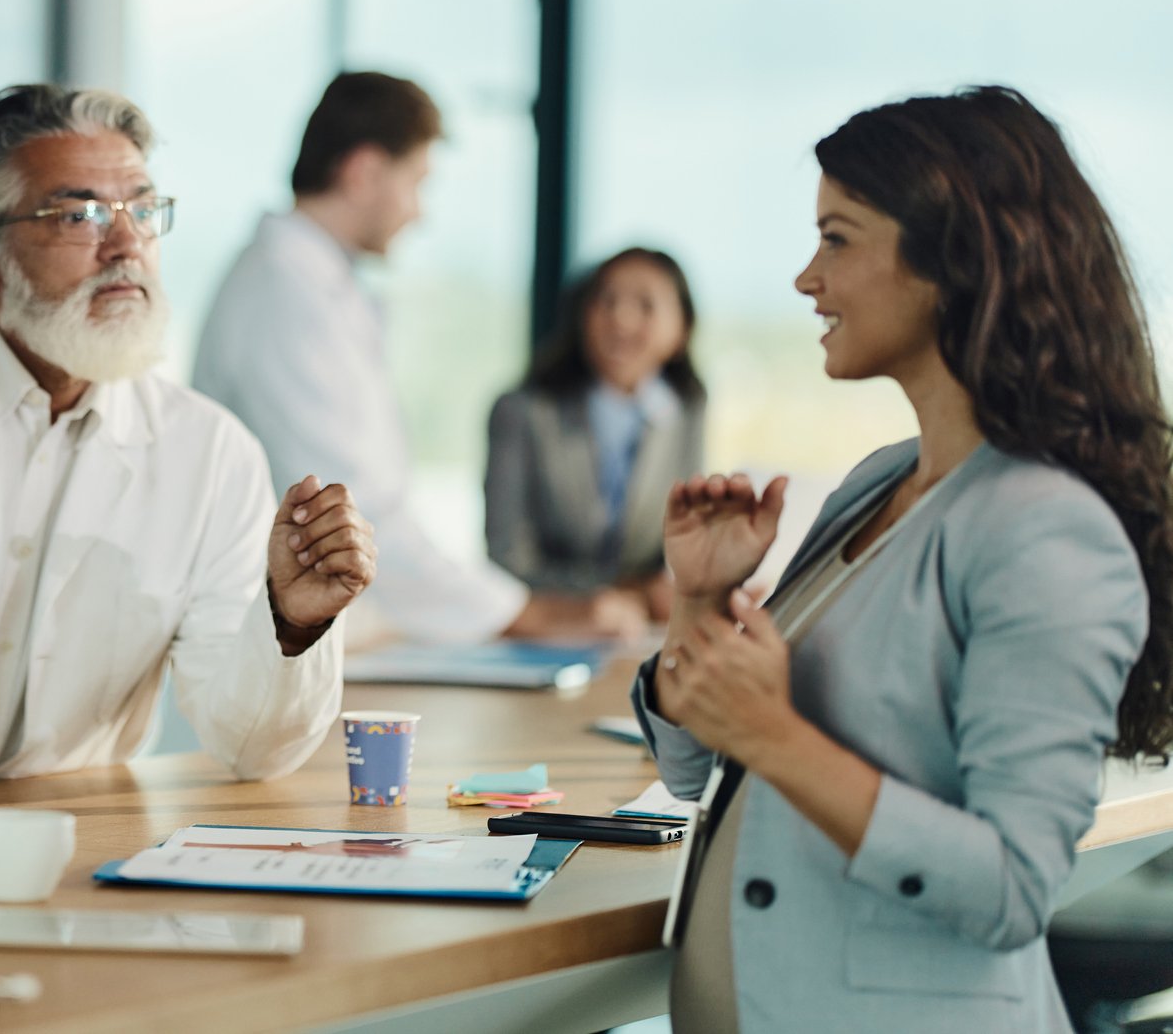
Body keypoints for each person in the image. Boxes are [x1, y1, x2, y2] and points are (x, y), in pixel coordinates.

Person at [631, 87, 1172, 1031]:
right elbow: (701, 768)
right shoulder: (881, 486)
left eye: (837, 239)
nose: (807, 278)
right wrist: (703, 604)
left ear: (950, 264)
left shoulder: (1047, 532)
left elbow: (1011, 886)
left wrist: (774, 734)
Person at [0, 85, 375, 801]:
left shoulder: (209, 451)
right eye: (78, 214)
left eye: (143, 211)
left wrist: (293, 620)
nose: (125, 245)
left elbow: (251, 748)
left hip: (71, 847)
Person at [195, 71, 647, 644]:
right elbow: (354, 516)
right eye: (418, 182)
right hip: (275, 639)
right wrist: (527, 614)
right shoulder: (287, 295)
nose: (419, 212)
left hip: (314, 634)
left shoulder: (310, 286)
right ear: (365, 171)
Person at [485, 247, 706, 606]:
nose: (620, 319)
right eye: (605, 301)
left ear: (681, 329)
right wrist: (624, 595)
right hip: (547, 625)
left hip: (641, 633)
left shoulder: (686, 411)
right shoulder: (523, 412)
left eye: (645, 305)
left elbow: (680, 545)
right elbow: (507, 561)